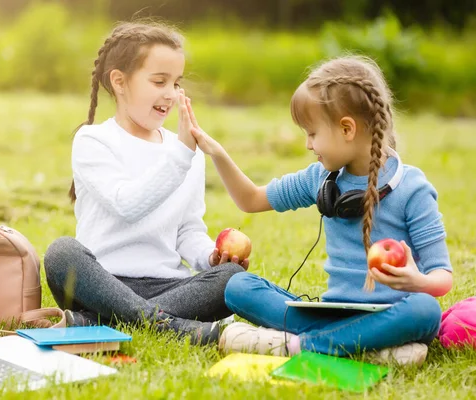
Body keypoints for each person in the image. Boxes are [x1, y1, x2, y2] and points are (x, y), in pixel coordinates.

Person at [186, 55, 453, 364]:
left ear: (347, 129)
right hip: (329, 316)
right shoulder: (321, 179)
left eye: (312, 133)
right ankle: (359, 346)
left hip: (392, 315)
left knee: (426, 310)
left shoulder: (413, 188)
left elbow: (441, 278)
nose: (308, 145)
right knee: (236, 285)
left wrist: (416, 281)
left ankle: (301, 346)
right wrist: (216, 153)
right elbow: (251, 200)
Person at [43, 22, 247, 346]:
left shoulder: (185, 151)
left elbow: (187, 230)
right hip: (102, 284)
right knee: (61, 253)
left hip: (169, 287)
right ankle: (180, 330)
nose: (171, 94)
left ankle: (97, 324)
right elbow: (127, 205)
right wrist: (181, 154)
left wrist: (210, 257)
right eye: (159, 81)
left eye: (176, 83)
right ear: (120, 82)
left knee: (233, 279)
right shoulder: (94, 141)